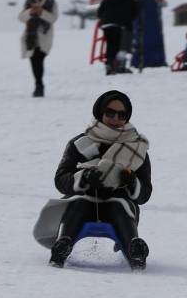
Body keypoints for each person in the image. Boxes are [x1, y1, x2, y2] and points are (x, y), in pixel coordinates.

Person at [33, 90, 152, 269]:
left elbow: (145, 194)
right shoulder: (80, 143)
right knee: (79, 204)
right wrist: (83, 178)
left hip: (119, 202)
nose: (115, 118)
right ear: (100, 112)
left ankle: (135, 252)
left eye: (121, 114)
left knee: (119, 208)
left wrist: (131, 182)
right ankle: (62, 246)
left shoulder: (137, 149)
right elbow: (60, 179)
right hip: (84, 199)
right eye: (110, 113)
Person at [18, 0, 58, 97]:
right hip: (31, 37)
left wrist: (42, 12)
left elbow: (53, 18)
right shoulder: (29, 1)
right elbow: (21, 17)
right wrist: (30, 12)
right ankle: (38, 85)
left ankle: (39, 85)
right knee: (34, 60)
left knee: (39, 59)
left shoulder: (51, 2)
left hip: (44, 36)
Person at [96, 0, 138, 75]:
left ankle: (109, 64)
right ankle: (116, 66)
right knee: (118, 46)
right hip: (118, 25)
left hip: (106, 25)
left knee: (110, 45)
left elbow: (99, 13)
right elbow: (135, 9)